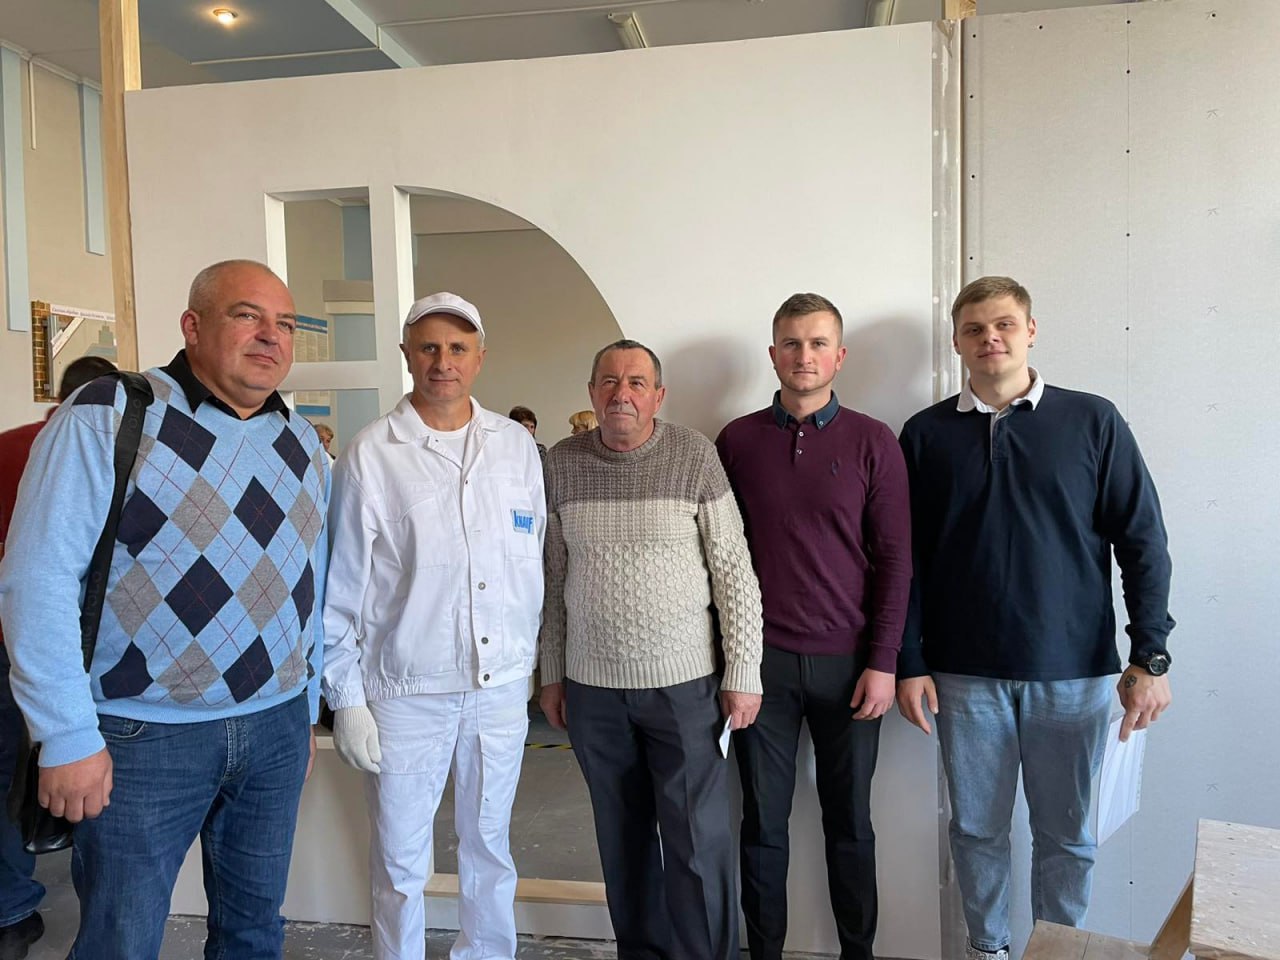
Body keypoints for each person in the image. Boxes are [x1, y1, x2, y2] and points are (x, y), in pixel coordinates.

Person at [0, 260, 330, 960]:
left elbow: (310, 582)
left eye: (284, 324)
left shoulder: (301, 442)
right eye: (247, 315)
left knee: (255, 933)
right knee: (122, 941)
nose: (270, 336)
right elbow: (37, 580)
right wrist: (65, 735)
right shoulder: (111, 415)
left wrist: (303, 708)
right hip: (141, 736)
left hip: (273, 727)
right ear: (193, 326)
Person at [896, 276, 1175, 960]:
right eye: (974, 328)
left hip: (1073, 673)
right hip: (963, 675)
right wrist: (910, 660)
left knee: (1067, 838)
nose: (990, 338)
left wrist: (1150, 656)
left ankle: (1060, 950)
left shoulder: (1093, 420)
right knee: (976, 832)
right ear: (956, 341)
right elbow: (904, 560)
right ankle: (988, 951)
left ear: (1030, 331)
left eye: (1004, 325)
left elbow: (1143, 541)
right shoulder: (925, 434)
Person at [322, 292, 545, 960]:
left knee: (490, 847)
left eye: (457, 348)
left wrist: (531, 664)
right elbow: (342, 587)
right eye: (429, 348)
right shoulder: (372, 454)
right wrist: (346, 698)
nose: (443, 362)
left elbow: (532, 562)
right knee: (400, 860)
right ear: (407, 355)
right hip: (406, 691)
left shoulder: (514, 447)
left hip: (499, 686)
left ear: (480, 357)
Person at [539, 339, 763, 960]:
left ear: (658, 395)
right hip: (593, 691)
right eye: (609, 382)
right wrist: (552, 672)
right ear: (591, 393)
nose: (622, 394)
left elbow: (733, 569)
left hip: (686, 688)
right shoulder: (560, 463)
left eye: (636, 382)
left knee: (698, 844)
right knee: (622, 841)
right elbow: (551, 578)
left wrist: (744, 669)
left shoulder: (694, 455)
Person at [716, 293, 911, 960]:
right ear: (773, 354)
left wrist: (884, 661)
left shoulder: (873, 441)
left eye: (818, 342)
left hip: (851, 667)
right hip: (760, 667)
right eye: (792, 343)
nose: (805, 355)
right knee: (762, 826)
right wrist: (733, 662)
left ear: (839, 355)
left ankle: (859, 953)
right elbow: (720, 556)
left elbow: (895, 559)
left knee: (850, 825)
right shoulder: (737, 441)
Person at [0, 355, 116, 959]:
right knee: (68, 769)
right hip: (70, 647)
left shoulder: (11, 443)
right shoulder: (102, 448)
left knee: (10, 771)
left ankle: (12, 905)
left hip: (11, 640)